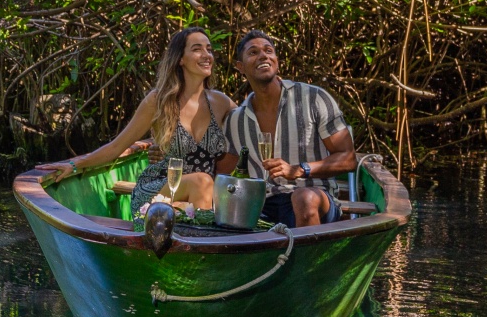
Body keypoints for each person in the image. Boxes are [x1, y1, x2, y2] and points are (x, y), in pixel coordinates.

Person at [38, 28, 235, 217]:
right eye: (197, 49)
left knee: (204, 187)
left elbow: (248, 123)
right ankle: (196, 230)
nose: (207, 55)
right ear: (180, 59)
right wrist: (74, 164)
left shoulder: (221, 102)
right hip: (158, 189)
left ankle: (192, 224)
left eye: (209, 49)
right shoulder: (158, 102)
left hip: (200, 196)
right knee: (202, 181)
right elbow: (115, 147)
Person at [216, 30, 356, 227]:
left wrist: (300, 170)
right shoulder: (235, 120)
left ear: (276, 61)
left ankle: (308, 248)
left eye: (268, 51)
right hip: (262, 205)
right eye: (253, 52)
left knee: (303, 198)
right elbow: (223, 176)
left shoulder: (313, 98)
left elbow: (348, 159)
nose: (263, 56)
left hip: (314, 198)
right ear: (240, 67)